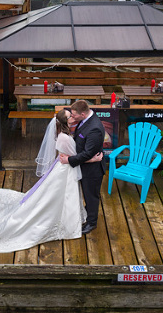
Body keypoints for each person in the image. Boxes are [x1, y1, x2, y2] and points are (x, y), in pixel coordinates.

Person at [0, 109, 102, 253]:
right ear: (65, 122)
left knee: (61, 196)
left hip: (65, 168)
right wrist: (92, 160)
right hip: (64, 169)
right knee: (57, 196)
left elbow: (71, 156)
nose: (73, 117)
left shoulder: (65, 135)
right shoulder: (64, 139)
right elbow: (73, 158)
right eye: (70, 116)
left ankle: (68, 218)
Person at [59, 100, 105, 235]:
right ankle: (87, 213)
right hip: (84, 167)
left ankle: (92, 222)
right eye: (71, 115)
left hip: (93, 170)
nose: (72, 117)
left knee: (91, 196)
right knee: (86, 194)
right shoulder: (84, 120)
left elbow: (87, 153)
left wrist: (69, 160)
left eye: (74, 115)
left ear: (83, 114)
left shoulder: (95, 128)